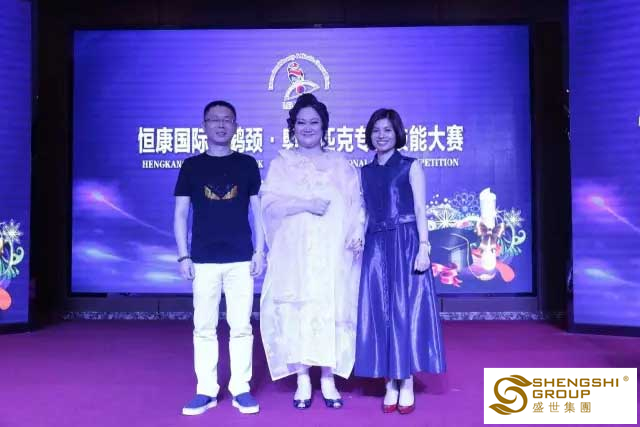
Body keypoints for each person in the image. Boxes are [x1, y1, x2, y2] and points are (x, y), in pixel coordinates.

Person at [259, 94, 364, 409]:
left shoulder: (340, 164)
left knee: (331, 305)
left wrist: (357, 230)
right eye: (301, 122)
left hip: (332, 251)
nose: (307, 128)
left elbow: (356, 203)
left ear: (324, 126)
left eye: (314, 122)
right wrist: (304, 204)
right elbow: (269, 204)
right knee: (299, 309)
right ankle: (303, 377)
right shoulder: (281, 164)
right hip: (294, 253)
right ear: (292, 127)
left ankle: (329, 377)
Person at [173, 100, 265, 415]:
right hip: (202, 258)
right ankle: (206, 390)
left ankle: (241, 388)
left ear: (236, 126)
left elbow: (258, 211)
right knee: (204, 326)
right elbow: (180, 214)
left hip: (241, 258)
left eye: (227, 120)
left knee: (241, 326)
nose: (221, 125)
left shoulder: (247, 164)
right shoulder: (191, 167)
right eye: (215, 119)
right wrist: (183, 256)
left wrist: (260, 251)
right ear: (204, 126)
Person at [354, 108, 446, 414]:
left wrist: (424, 247)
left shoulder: (410, 166)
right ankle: (388, 382)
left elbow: (420, 209)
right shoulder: (364, 172)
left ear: (397, 134)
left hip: (405, 243)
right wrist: (358, 236)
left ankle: (405, 380)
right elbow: (364, 211)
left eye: (387, 130)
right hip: (376, 246)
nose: (381, 135)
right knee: (379, 311)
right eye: (376, 130)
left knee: (403, 311)